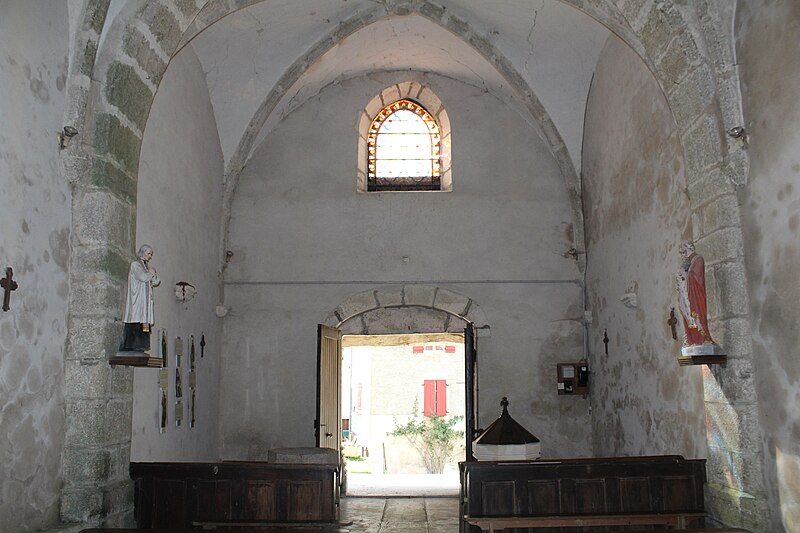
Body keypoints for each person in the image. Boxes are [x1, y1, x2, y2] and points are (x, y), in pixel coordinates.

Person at [119, 244, 161, 352]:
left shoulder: (146, 267)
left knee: (143, 322)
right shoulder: (136, 265)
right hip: (137, 300)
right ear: (142, 252)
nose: (150, 256)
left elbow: (155, 282)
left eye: (151, 254)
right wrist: (150, 273)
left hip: (145, 301)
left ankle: (141, 346)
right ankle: (131, 345)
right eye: (148, 253)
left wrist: (154, 274)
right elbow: (142, 277)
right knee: (136, 320)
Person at [676, 240, 715, 346]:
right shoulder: (686, 262)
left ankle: (703, 337)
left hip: (695, 295)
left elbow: (697, 277)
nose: (682, 254)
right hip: (686, 294)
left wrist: (685, 275)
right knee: (686, 314)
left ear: (688, 248)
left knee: (696, 314)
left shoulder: (698, 259)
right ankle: (692, 339)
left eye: (683, 250)